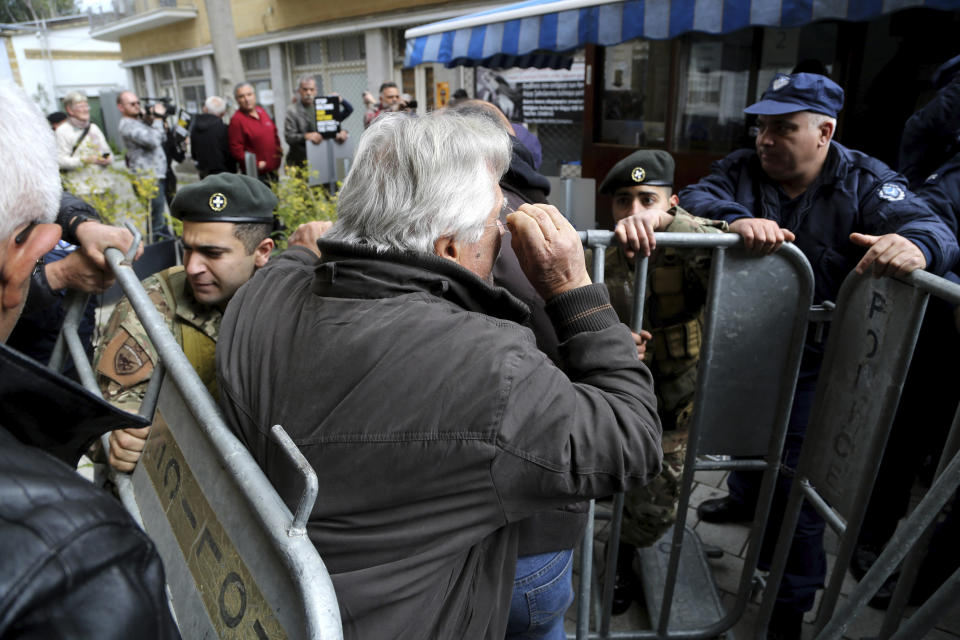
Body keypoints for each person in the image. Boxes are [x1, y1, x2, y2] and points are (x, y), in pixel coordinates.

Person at [217, 110, 664, 640]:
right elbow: (633, 440)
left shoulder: (262, 295)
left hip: (283, 605)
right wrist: (575, 292)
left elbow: (299, 259)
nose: (503, 234)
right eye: (497, 220)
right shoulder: (492, 366)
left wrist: (308, 245)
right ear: (450, 249)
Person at [679, 72, 959, 640]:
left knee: (793, 490)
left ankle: (789, 602)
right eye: (761, 127)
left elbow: (933, 227)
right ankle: (740, 500)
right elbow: (698, 196)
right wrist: (737, 220)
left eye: (784, 128)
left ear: (824, 132)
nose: (765, 140)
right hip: (744, 346)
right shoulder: (740, 168)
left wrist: (916, 245)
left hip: (819, 362)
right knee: (745, 450)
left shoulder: (866, 180)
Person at [0, 79, 180, 640]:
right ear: (27, 253)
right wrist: (53, 276)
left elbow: (47, 200)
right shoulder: (77, 556)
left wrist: (76, 222)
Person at [596, 149, 730, 613]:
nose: (634, 212)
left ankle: (625, 546)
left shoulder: (691, 244)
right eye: (622, 201)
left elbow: (739, 273)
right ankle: (614, 557)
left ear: (671, 202)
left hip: (673, 405)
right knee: (612, 479)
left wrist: (679, 231)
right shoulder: (599, 251)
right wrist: (608, 340)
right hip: (613, 400)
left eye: (646, 199)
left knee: (656, 506)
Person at [95, 173, 278, 472]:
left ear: (262, 252)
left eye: (212, 253)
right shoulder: (152, 303)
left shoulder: (286, 301)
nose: (192, 266)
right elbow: (112, 410)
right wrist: (121, 439)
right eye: (188, 248)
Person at [117, 90, 171, 242]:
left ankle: (166, 248)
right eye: (132, 104)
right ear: (121, 107)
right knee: (157, 221)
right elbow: (153, 141)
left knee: (160, 216)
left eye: (137, 103)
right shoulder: (127, 125)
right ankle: (161, 254)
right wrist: (159, 119)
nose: (137, 106)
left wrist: (152, 120)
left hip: (155, 174)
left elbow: (161, 137)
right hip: (147, 178)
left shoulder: (138, 122)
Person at [284, 75, 352, 167]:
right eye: (305, 89)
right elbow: (289, 137)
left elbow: (346, 113)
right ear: (299, 91)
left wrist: (341, 132)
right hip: (302, 162)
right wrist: (306, 136)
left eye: (311, 89)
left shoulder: (323, 106)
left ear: (316, 90)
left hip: (325, 159)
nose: (308, 92)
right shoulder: (292, 110)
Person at [56, 90, 112, 198]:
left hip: (104, 186)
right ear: (69, 110)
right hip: (82, 190)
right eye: (81, 106)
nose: (86, 109)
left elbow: (108, 152)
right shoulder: (62, 131)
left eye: (86, 106)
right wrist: (85, 160)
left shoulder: (93, 128)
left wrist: (107, 158)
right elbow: (60, 161)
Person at [227, 82, 282, 183]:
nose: (247, 99)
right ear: (237, 100)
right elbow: (236, 149)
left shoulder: (262, 111)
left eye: (249, 94)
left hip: (273, 170)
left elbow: (274, 135)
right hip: (256, 174)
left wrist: (279, 155)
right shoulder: (236, 120)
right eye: (242, 96)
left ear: (254, 95)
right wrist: (255, 164)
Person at [191, 95, 237, 178]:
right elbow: (229, 154)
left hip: (204, 173)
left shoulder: (195, 127)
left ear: (205, 109)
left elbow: (193, 154)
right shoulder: (223, 129)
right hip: (223, 174)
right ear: (223, 113)